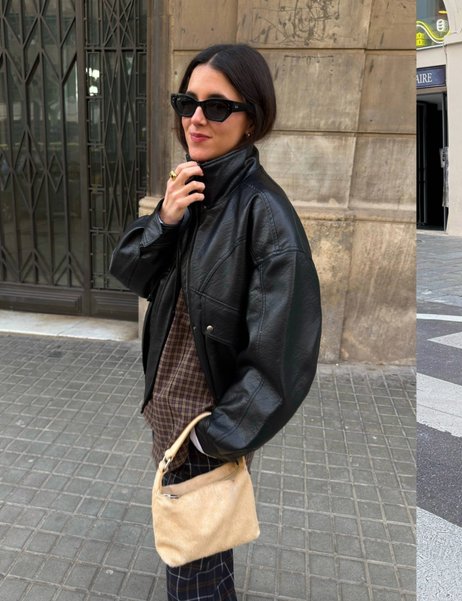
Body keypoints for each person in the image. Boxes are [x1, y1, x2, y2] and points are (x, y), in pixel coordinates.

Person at [110, 44, 322, 600]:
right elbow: (129, 272)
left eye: (217, 106)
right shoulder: (193, 189)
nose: (196, 118)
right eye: (188, 102)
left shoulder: (264, 215)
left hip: (201, 430)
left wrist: (213, 439)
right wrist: (164, 218)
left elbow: (285, 358)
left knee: (192, 576)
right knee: (204, 553)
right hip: (171, 413)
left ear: (251, 118)